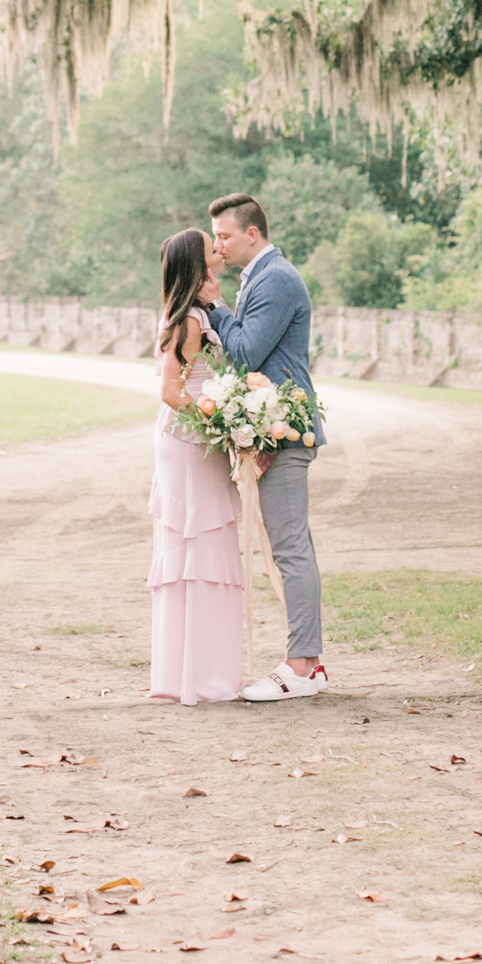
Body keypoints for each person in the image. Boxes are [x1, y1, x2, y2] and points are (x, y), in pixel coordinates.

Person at [210, 192, 328, 701]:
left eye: (225, 236)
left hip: (284, 430)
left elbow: (244, 351)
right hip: (274, 426)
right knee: (291, 547)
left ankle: (300, 666)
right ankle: (311, 664)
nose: (218, 246)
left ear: (252, 233)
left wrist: (212, 307)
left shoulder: (276, 279)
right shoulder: (260, 276)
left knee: (291, 550)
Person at [146, 227, 244, 704]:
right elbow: (170, 390)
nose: (219, 249)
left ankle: (196, 673)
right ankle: (197, 679)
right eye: (212, 246)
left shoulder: (201, 314)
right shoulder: (186, 321)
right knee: (199, 549)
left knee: (204, 551)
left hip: (197, 439)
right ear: (197, 263)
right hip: (189, 444)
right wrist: (219, 418)